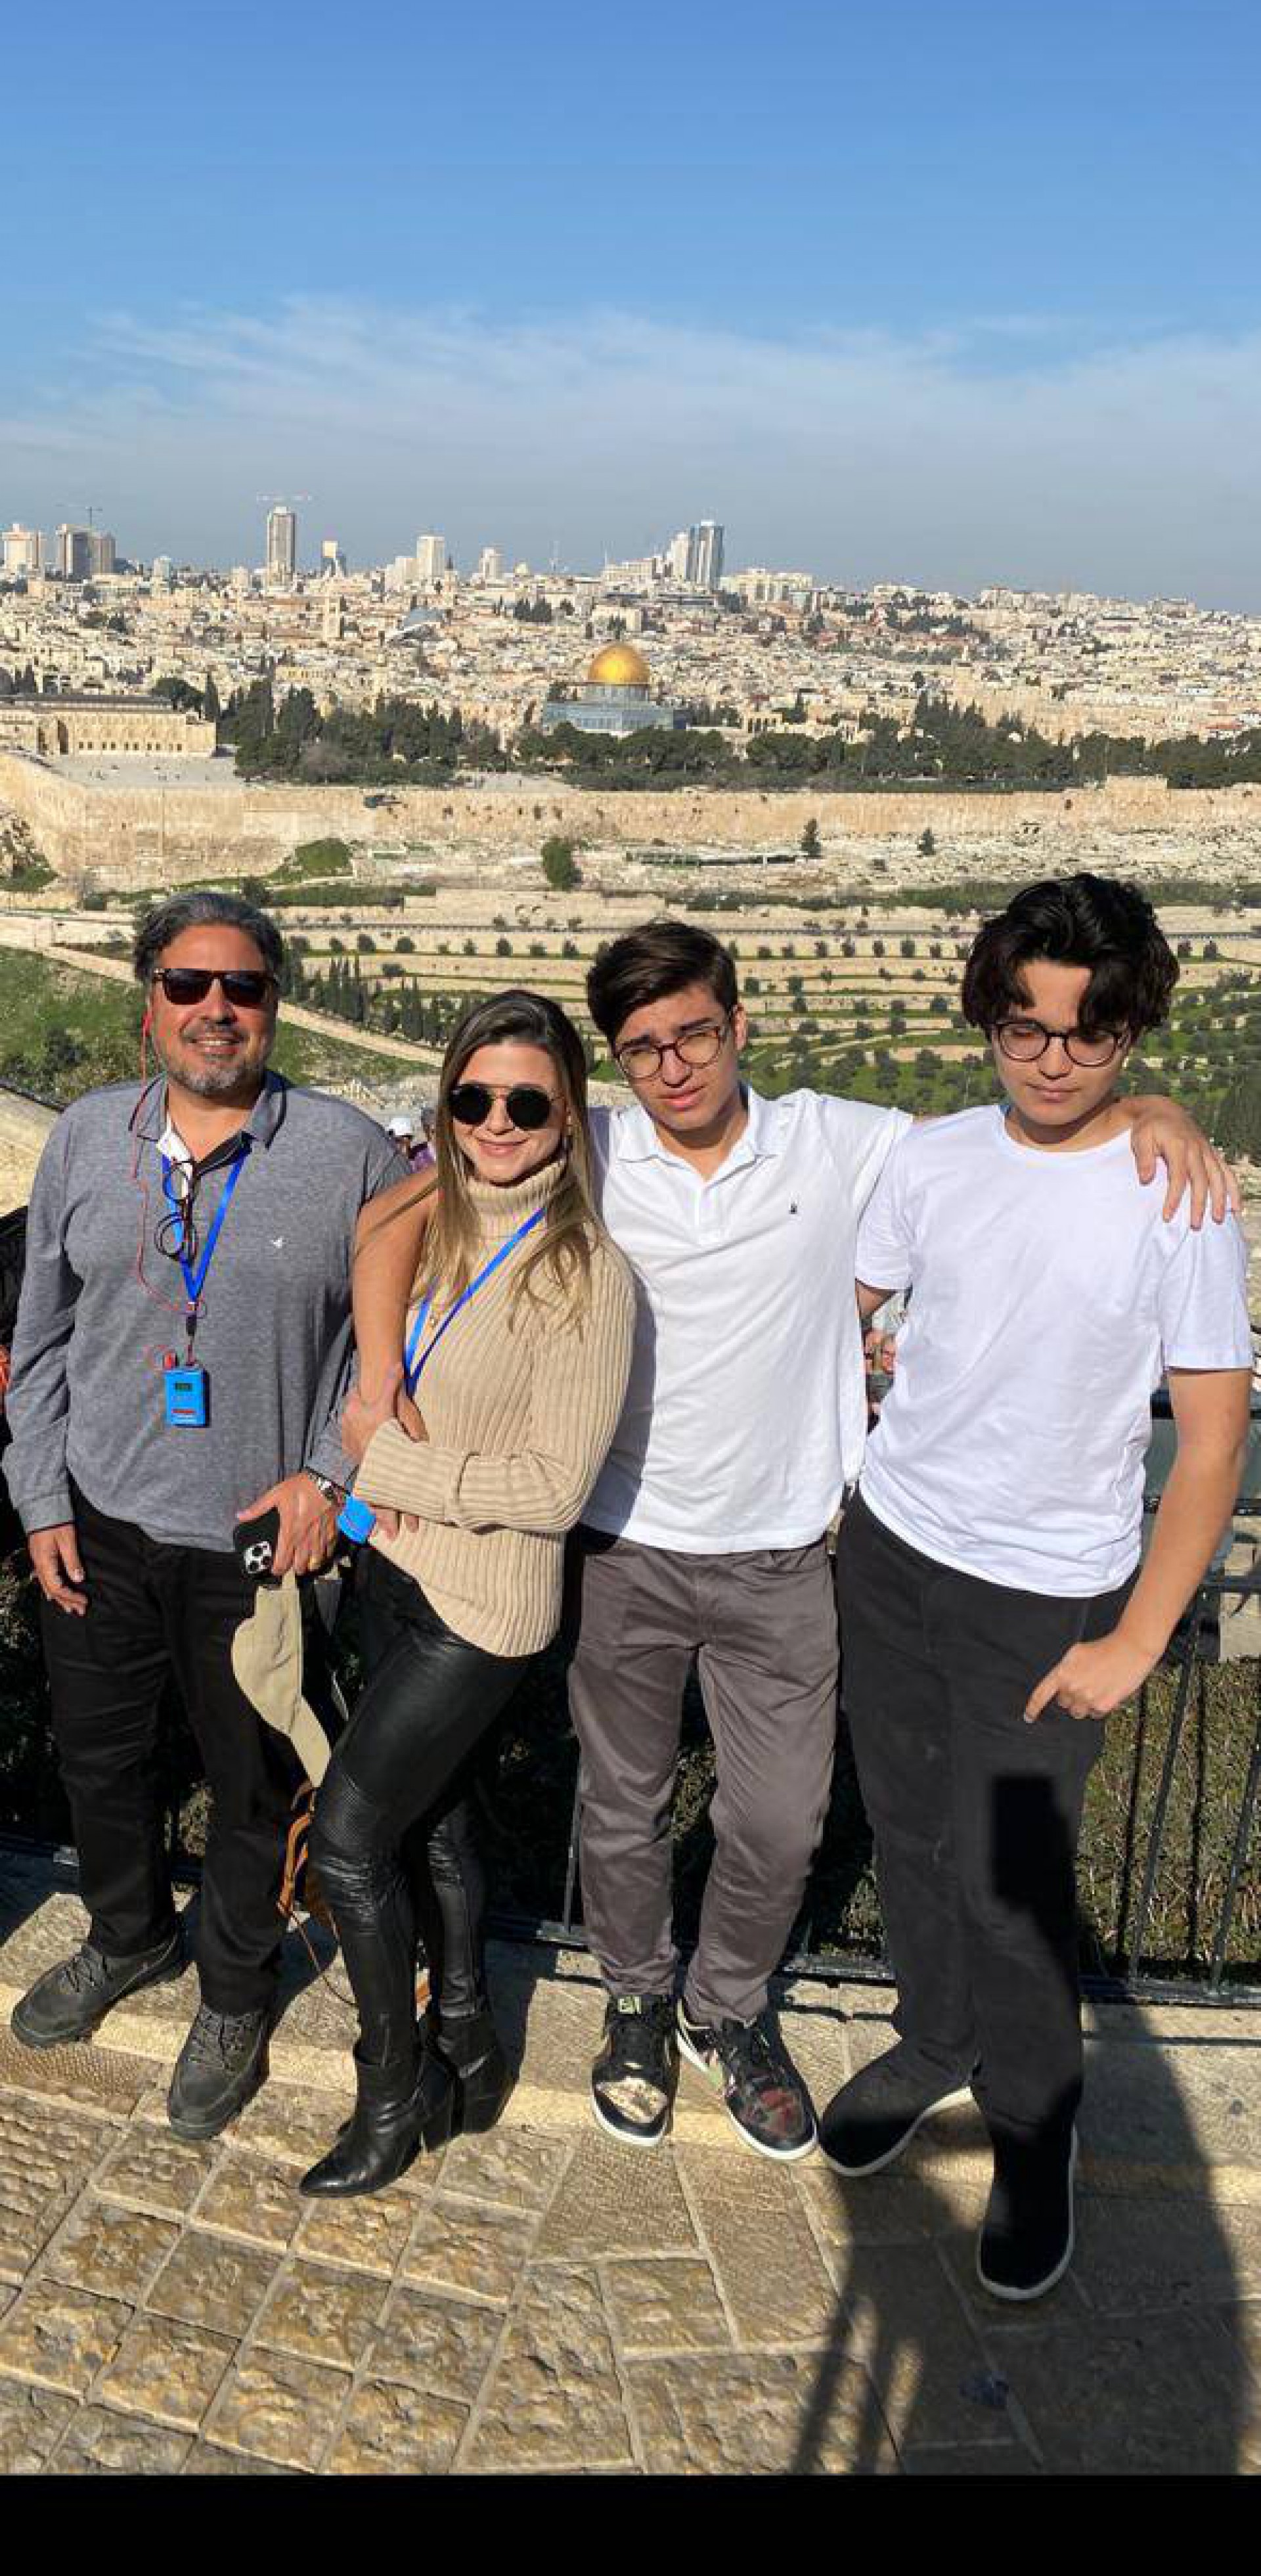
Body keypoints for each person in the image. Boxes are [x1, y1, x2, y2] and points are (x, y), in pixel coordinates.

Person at [351, 916, 1231, 2169]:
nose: (675, 1065)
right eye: (644, 1046)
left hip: (784, 1555)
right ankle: (640, 2005)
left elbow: (1035, 1130)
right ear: (618, 1061)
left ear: (739, 1025)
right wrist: (378, 1377)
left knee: (777, 1825)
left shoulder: (842, 1139)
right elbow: (396, 1217)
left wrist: (1151, 1103)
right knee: (624, 1808)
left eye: (696, 1032)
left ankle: (728, 2008)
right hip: (621, 1546)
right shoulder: (583, 1145)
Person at [820, 876, 1252, 2301]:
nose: (1053, 1057)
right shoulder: (931, 1160)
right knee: (903, 1826)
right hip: (892, 1552)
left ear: (1132, 1034)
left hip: (1048, 1597)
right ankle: (935, 2038)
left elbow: (1208, 1440)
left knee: (1014, 1889)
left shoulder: (1177, 1197)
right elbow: (868, 1313)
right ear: (985, 1022)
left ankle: (1033, 2127)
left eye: (1089, 1032)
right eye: (1024, 1027)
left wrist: (1136, 1638)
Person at [4, 892, 405, 2139]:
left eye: (242, 987)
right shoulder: (81, 1140)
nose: (215, 1009)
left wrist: (330, 1482)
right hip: (101, 1514)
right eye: (188, 984)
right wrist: (38, 1494)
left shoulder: (350, 1154)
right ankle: (128, 1935)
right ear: (150, 1004)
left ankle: (235, 1990)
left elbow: (395, 1348)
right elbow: (45, 1332)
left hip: (256, 1537)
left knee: (249, 1783)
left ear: (273, 1005)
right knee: (98, 1756)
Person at [300, 989, 634, 2199]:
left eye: (528, 1101)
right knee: (433, 1827)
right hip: (398, 1573)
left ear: (570, 1116)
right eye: (472, 1097)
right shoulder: (442, 1215)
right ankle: (475, 2046)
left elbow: (552, 1487)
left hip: (481, 1607)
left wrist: (380, 1454)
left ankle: (395, 2094)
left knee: (347, 1841)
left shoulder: (587, 1276)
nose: (499, 1121)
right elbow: (374, 1226)